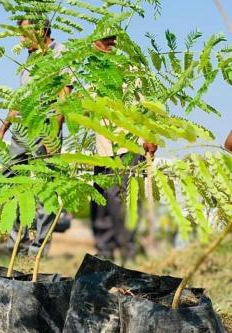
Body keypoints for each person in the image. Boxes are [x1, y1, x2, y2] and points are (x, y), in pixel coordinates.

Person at [0, 18, 72, 256]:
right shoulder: (29, 59)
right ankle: (16, 245)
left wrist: (53, 133)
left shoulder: (60, 54)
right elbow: (21, 98)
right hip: (21, 129)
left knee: (44, 189)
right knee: (10, 181)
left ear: (40, 31)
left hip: (46, 126)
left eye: (24, 33)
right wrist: (3, 127)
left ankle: (39, 250)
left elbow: (64, 95)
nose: (20, 39)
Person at [89, 34, 157, 262]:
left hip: (126, 147)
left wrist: (150, 136)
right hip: (102, 149)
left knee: (120, 201)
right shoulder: (93, 74)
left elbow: (145, 107)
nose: (98, 46)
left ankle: (129, 250)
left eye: (104, 42)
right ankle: (104, 251)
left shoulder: (130, 72)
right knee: (99, 200)